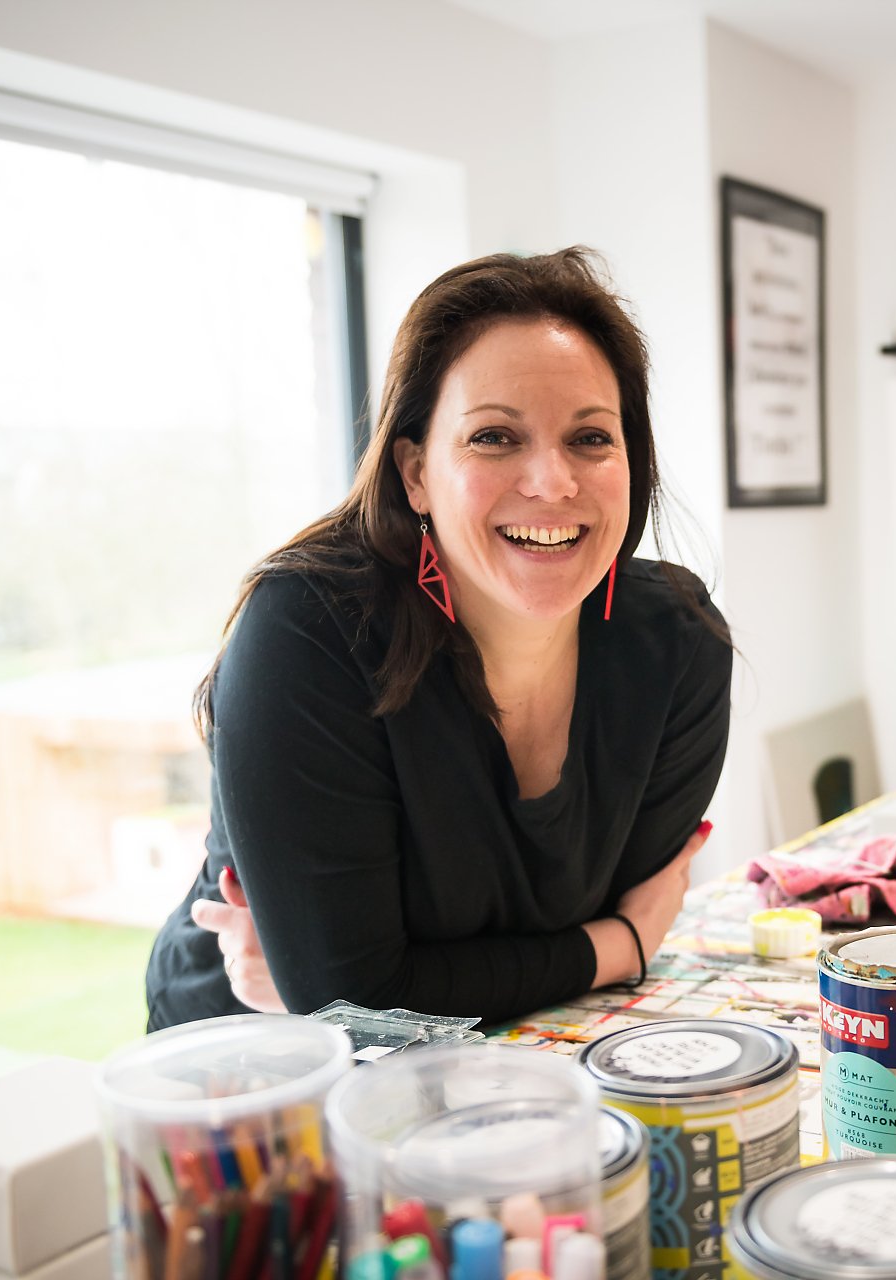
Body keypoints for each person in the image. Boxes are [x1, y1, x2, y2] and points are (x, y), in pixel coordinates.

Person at [144, 248, 732, 1030]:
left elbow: (363, 986)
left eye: (591, 438)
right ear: (415, 473)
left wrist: (383, 980)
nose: (553, 482)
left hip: (516, 1061)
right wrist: (618, 945)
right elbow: (348, 1003)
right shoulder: (311, 632)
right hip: (255, 1072)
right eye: (494, 437)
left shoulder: (678, 647)